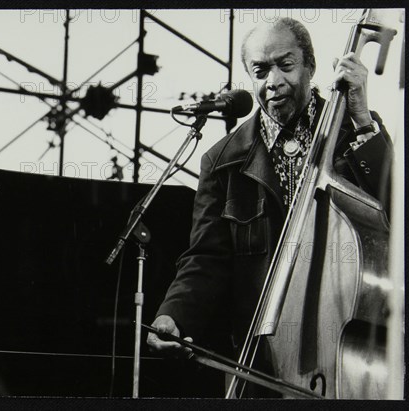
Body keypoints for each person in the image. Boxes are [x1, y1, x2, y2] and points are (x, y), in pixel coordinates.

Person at [146, 18, 392, 396]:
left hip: (343, 355)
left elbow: (394, 209)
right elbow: (206, 257)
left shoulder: (354, 135)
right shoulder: (223, 160)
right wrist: (173, 313)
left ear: (310, 66)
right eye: (260, 71)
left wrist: (361, 117)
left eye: (285, 65)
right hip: (258, 359)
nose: (273, 81)